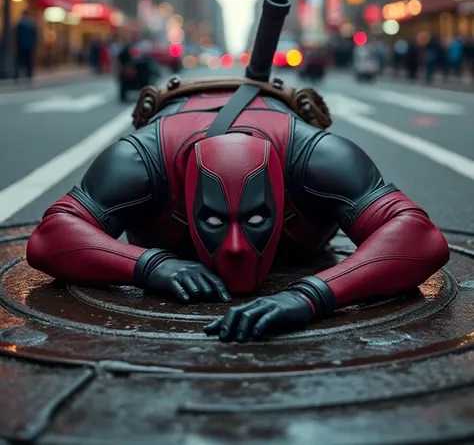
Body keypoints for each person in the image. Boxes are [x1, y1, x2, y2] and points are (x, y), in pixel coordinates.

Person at [26, 74, 450, 343]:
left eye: (256, 218)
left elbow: (421, 237)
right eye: (212, 219)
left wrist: (311, 297)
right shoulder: (140, 161)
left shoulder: (318, 158)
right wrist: (152, 267)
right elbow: (50, 237)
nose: (234, 247)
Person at [14, 9, 38, 80]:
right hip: (29, 45)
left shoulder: (20, 24)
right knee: (29, 60)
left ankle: (18, 74)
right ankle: (29, 74)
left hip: (21, 45)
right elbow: (34, 36)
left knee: (20, 60)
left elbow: (17, 36)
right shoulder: (31, 25)